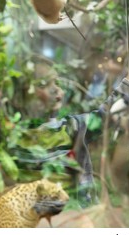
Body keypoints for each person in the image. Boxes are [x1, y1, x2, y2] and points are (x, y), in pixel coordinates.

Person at [9, 54, 118, 207]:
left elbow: (104, 115)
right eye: (44, 84)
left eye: (57, 83)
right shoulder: (15, 137)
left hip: (72, 215)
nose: (56, 90)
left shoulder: (71, 127)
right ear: (26, 94)